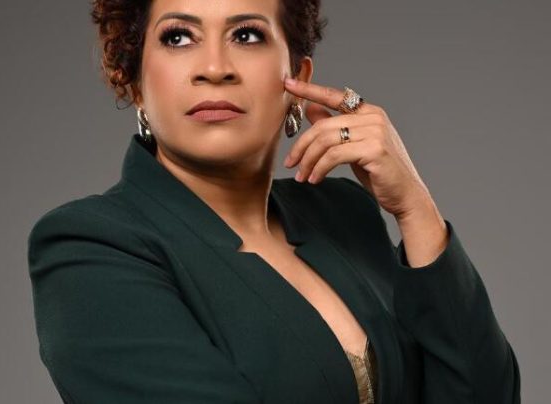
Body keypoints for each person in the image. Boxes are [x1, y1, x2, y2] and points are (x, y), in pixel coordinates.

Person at [27, 0, 521, 403]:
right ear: (134, 80)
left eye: (247, 35)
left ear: (296, 77)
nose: (215, 68)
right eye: (178, 37)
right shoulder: (89, 248)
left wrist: (416, 209)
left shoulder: (343, 213)